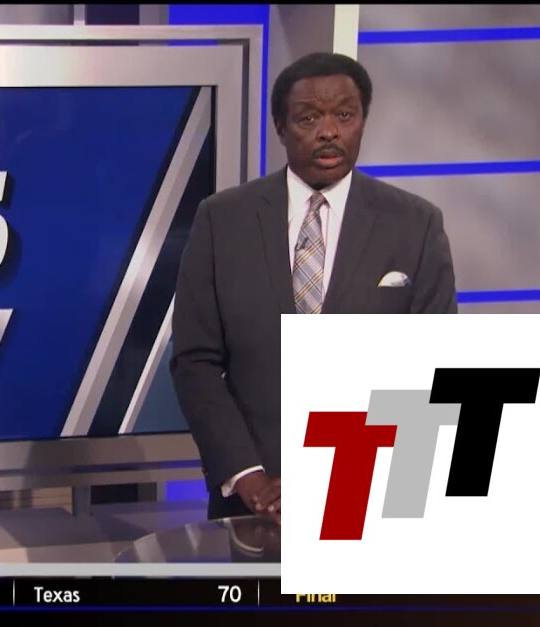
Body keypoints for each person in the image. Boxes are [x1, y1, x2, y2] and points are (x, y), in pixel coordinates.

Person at [170, 52, 457, 522]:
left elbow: (434, 365)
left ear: (362, 121)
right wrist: (248, 478)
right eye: (309, 118)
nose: (329, 131)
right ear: (280, 127)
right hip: (252, 505)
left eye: (344, 115)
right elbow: (194, 361)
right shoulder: (222, 220)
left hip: (376, 499)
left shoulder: (415, 224)